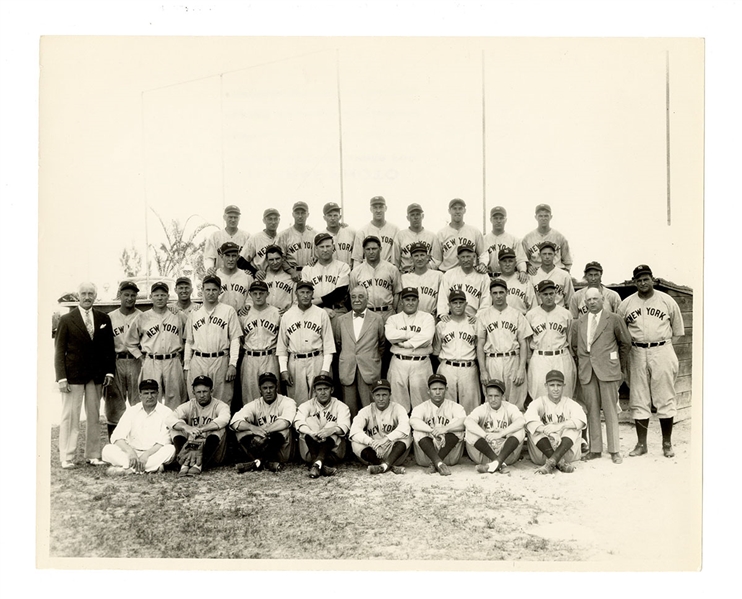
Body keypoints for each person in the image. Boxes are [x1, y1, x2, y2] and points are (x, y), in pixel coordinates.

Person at [617, 264, 685, 458]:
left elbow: (678, 332)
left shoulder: (667, 300)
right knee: (638, 398)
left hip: (662, 349)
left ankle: (666, 443)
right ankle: (641, 444)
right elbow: (621, 332)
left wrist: (663, 346)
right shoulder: (626, 304)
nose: (643, 282)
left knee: (665, 397)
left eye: (646, 278)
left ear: (652, 279)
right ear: (634, 282)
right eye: (639, 279)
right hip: (637, 351)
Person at [54, 282, 115, 469]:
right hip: (73, 376)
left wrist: (109, 371)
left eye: (91, 293)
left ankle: (93, 454)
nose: (87, 297)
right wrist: (61, 378)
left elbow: (108, 349)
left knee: (94, 416)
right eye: (84, 293)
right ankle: (67, 456)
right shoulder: (66, 320)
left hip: (96, 376)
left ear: (95, 296)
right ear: (77, 296)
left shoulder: (103, 318)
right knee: (70, 417)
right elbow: (59, 351)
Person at [571, 287, 631, 464]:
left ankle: (614, 450)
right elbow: (575, 347)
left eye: (595, 299)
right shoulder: (579, 323)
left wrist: (618, 367)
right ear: (585, 302)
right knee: (592, 410)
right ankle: (595, 449)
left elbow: (625, 343)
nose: (591, 302)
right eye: (588, 299)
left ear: (602, 299)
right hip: (588, 372)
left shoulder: (613, 319)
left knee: (611, 410)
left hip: (608, 371)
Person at [125, 281, 187, 410]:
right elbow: (130, 342)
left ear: (168, 296)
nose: (160, 298)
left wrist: (184, 358)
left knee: (175, 399)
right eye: (156, 295)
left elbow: (189, 338)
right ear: (151, 296)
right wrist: (141, 358)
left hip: (173, 360)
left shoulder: (178, 315)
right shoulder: (142, 317)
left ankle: (174, 428)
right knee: (151, 398)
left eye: (163, 295)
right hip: (152, 360)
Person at [183, 275, 242, 408]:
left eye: (214, 290)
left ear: (220, 291)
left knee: (222, 401)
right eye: (207, 289)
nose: (211, 293)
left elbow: (235, 339)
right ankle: (198, 429)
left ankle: (220, 429)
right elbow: (189, 342)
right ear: (202, 290)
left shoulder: (228, 311)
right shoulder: (194, 312)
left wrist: (233, 364)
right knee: (197, 401)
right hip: (198, 360)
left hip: (220, 359)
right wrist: (186, 366)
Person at [476, 278, 532, 411]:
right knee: (493, 402)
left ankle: (516, 431)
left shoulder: (517, 315)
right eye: (495, 293)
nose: (498, 296)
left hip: (513, 359)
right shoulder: (484, 316)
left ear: (507, 293)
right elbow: (480, 344)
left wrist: (521, 369)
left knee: (516, 404)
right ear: (490, 294)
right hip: (492, 360)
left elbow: (523, 343)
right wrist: (483, 370)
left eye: (501, 292)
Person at [277, 280, 336, 405]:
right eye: (302, 292)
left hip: (316, 358)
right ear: (296, 294)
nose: (305, 295)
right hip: (295, 360)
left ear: (312, 294)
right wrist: (283, 369)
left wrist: (325, 369)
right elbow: (282, 346)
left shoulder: (321, 314)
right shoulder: (287, 315)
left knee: (320, 399)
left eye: (308, 292)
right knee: (296, 401)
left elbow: (328, 344)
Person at [102, 379, 175, 475]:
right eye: (146, 393)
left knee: (170, 450)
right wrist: (130, 452)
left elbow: (164, 441)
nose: (149, 396)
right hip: (132, 453)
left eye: (152, 393)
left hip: (152, 454)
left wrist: (146, 455)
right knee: (107, 450)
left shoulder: (166, 412)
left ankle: (127, 469)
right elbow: (117, 437)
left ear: (158, 394)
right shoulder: (132, 411)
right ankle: (150, 468)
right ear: (140, 395)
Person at [335, 286, 385, 419]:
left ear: (367, 299)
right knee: (349, 409)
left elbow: (382, 343)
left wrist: (371, 357)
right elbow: (339, 343)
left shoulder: (377, 319)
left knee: (370, 408)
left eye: (361, 297)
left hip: (369, 368)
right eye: (354, 297)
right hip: (348, 368)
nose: (357, 300)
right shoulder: (341, 320)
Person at [231, 372, 297, 473]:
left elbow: (286, 422)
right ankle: (264, 462)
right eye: (265, 388)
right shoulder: (255, 404)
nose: (268, 391)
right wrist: (253, 429)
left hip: (281, 451)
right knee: (241, 430)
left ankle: (256, 462)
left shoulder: (287, 402)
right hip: (261, 446)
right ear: (260, 390)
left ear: (276, 388)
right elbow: (234, 421)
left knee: (284, 430)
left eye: (271, 387)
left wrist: (263, 432)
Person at [524, 370, 587, 474]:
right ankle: (558, 462)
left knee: (573, 427)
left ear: (564, 386)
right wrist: (550, 432)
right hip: (542, 452)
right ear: (546, 386)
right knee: (534, 428)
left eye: (559, 385)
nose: (556, 389)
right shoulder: (538, 402)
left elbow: (581, 421)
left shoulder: (570, 403)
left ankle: (551, 463)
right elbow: (528, 421)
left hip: (566, 452)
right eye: (552, 385)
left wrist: (559, 426)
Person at [385, 287, 436, 413]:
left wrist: (405, 344)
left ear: (418, 301)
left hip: (421, 362)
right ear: (401, 301)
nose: (410, 302)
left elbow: (427, 337)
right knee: (398, 402)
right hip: (399, 362)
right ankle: (402, 430)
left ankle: (421, 431)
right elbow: (390, 335)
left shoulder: (427, 317)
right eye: (407, 299)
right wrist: (411, 336)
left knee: (422, 402)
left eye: (414, 299)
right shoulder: (393, 319)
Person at [168, 375, 231, 476]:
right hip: (191, 446)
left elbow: (224, 419)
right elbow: (170, 419)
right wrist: (187, 427)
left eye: (205, 391)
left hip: (211, 450)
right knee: (176, 428)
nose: (202, 395)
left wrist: (202, 429)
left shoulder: (220, 405)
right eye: (198, 392)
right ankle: (185, 463)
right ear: (193, 393)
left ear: (211, 391)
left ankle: (199, 464)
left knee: (220, 429)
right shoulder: (189, 405)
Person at [526, 279, 576, 400]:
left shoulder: (566, 314)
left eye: (551, 293)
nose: (549, 297)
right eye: (545, 294)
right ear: (539, 295)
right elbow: (527, 341)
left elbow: (570, 338)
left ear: (555, 294)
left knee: (565, 394)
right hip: (539, 357)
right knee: (539, 394)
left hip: (561, 356)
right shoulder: (531, 315)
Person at [294, 374, 351, 478]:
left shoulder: (341, 406)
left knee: (333, 425)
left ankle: (316, 463)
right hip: (309, 451)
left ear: (332, 390)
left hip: (334, 453)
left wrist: (330, 430)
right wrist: (312, 433)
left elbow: (345, 426)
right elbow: (298, 422)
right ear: (314, 391)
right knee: (309, 422)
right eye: (319, 389)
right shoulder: (306, 405)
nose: (323, 392)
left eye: (326, 389)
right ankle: (320, 463)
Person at [349, 379, 412, 474]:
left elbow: (405, 427)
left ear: (390, 395)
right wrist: (371, 442)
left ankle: (385, 464)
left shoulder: (398, 408)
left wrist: (386, 439)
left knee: (407, 436)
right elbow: (354, 431)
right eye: (378, 395)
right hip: (373, 451)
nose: (381, 398)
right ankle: (386, 465)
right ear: (373, 396)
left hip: (393, 451)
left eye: (384, 395)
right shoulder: (365, 411)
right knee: (355, 442)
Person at [465, 379, 526, 474]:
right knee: (469, 431)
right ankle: (499, 464)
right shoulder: (483, 408)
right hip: (485, 452)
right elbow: (468, 421)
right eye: (490, 396)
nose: (493, 399)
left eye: (496, 396)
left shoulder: (510, 407)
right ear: (486, 396)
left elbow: (521, 421)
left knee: (520, 430)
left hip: (505, 452)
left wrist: (501, 433)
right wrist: (484, 435)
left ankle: (495, 463)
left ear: (503, 396)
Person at [433, 290, 480, 413]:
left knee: (471, 407)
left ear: (466, 304)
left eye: (461, 302)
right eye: (455, 303)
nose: (458, 305)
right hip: (447, 366)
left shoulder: (474, 324)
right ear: (449, 305)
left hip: (468, 368)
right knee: (447, 407)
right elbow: (437, 351)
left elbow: (478, 348)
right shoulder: (442, 325)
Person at [409, 374, 466, 476]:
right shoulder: (421, 407)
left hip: (450, 455)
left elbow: (464, 423)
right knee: (418, 431)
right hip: (425, 457)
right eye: (434, 389)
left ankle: (435, 463)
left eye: (441, 389)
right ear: (428, 390)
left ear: (446, 389)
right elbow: (413, 421)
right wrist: (432, 430)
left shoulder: (455, 406)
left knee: (458, 428)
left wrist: (445, 429)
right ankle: (438, 462)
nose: (438, 392)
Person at [106, 280, 142, 438]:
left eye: (133, 295)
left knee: (138, 401)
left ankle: (138, 438)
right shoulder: (110, 317)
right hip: (117, 360)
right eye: (126, 294)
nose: (129, 298)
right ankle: (115, 439)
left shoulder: (142, 316)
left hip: (136, 361)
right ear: (119, 295)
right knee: (114, 403)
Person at [239, 280, 281, 405]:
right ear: (250, 295)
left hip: (270, 356)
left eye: (261, 293)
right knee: (249, 397)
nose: (258, 296)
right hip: (250, 358)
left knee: (272, 394)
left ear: (267, 294)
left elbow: (281, 339)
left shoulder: (277, 313)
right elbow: (240, 339)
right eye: (255, 293)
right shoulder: (243, 314)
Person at [302, 231, 351, 335]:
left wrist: (318, 301)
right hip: (314, 311)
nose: (325, 250)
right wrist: (322, 308)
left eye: (328, 246)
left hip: (337, 311)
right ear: (316, 249)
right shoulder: (307, 269)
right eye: (321, 247)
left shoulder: (343, 266)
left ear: (333, 247)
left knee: (339, 345)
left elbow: (340, 292)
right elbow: (305, 294)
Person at [349, 235, 402, 322]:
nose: (371, 252)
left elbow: (396, 293)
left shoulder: (392, 269)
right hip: (367, 313)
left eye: (374, 248)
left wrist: (393, 311)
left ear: (380, 249)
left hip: (387, 313)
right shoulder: (356, 272)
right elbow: (353, 295)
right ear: (363, 250)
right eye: (368, 249)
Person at [437, 244, 492, 318]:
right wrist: (443, 314)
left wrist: (478, 316)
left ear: (474, 257)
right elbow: (443, 297)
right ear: (458, 258)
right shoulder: (449, 274)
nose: (466, 260)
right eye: (463, 257)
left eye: (468, 256)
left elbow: (486, 300)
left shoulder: (483, 276)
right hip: (452, 316)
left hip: (474, 317)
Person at [436, 198, 488, 273]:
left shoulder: (474, 231)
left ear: (464, 210)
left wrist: (483, 264)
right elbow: (437, 260)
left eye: (460, 208)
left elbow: (483, 253)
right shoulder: (441, 233)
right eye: (454, 209)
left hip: (470, 273)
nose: (457, 211)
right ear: (449, 211)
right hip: (447, 273)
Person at [522, 203, 573, 274]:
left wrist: (565, 274)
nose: (543, 219)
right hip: (536, 273)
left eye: (546, 216)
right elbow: (523, 259)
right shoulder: (528, 238)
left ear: (551, 217)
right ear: (535, 217)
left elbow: (567, 261)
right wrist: (528, 266)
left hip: (556, 272)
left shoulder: (559, 237)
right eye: (540, 216)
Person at [393, 203, 442, 273]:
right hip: (406, 274)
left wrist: (423, 268)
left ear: (422, 216)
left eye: (418, 214)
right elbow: (395, 261)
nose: (415, 217)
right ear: (407, 218)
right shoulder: (400, 235)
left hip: (427, 274)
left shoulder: (432, 236)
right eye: (412, 215)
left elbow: (437, 260)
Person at [351, 196, 399, 266]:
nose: (378, 210)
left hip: (388, 270)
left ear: (385, 208)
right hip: (368, 270)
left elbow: (397, 258)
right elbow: (357, 259)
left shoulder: (395, 230)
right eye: (375, 207)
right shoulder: (362, 231)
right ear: (371, 209)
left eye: (381, 207)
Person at [483, 206, 529, 280]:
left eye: (501, 218)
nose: (498, 221)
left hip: (508, 277)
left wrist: (522, 271)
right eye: (495, 218)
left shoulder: (514, 239)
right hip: (488, 277)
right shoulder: (484, 239)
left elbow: (520, 259)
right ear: (490, 220)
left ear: (505, 220)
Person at [204, 205, 250, 275]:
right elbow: (209, 257)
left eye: (235, 217)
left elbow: (251, 258)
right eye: (230, 217)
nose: (233, 220)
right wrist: (209, 268)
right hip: (220, 276)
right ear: (224, 217)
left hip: (241, 277)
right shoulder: (215, 236)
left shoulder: (246, 236)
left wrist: (249, 269)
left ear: (239, 218)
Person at [401, 241, 443, 318]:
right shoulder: (404, 278)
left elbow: (442, 300)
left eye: (422, 255)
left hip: (431, 317)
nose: (419, 259)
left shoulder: (438, 276)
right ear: (411, 258)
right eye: (416, 256)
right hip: (410, 318)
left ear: (427, 257)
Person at [278, 201, 316, 280]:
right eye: (297, 213)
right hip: (290, 274)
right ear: (293, 214)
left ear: (307, 214)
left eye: (303, 213)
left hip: (310, 272)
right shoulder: (284, 235)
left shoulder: (314, 234)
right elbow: (280, 258)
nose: (300, 216)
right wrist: (291, 271)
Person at [239, 208, 281, 277]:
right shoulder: (255, 238)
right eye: (270, 219)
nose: (273, 222)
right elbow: (241, 261)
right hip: (260, 278)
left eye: (275, 219)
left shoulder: (281, 238)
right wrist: (254, 272)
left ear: (279, 220)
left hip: (277, 277)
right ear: (264, 220)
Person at [531, 241, 574, 308]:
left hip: (559, 313)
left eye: (550, 254)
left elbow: (570, 300)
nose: (547, 257)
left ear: (554, 254)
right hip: (539, 314)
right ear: (539, 255)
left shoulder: (564, 275)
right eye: (544, 254)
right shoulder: (533, 275)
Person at [496, 247, 536, 315]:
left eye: (510, 261)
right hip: (501, 321)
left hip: (521, 320)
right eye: (504, 261)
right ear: (499, 263)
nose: (507, 264)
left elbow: (533, 307)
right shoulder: (494, 282)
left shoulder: (524, 281)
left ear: (515, 262)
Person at [216, 241, 253, 313]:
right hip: (220, 318)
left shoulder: (247, 277)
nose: (231, 259)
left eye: (233, 255)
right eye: (227, 255)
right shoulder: (215, 276)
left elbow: (252, 297)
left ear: (238, 257)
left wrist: (248, 305)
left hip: (241, 317)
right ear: (221, 256)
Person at [319, 201, 355, 266]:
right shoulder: (320, 236)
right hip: (329, 274)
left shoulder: (351, 232)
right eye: (329, 215)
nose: (332, 218)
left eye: (335, 215)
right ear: (324, 218)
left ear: (340, 217)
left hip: (349, 272)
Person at [263, 244, 295, 314]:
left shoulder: (291, 279)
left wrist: (290, 310)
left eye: (277, 259)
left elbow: (296, 302)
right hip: (266, 317)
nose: (275, 262)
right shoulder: (262, 278)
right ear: (266, 260)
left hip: (286, 316)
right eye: (271, 260)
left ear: (283, 258)